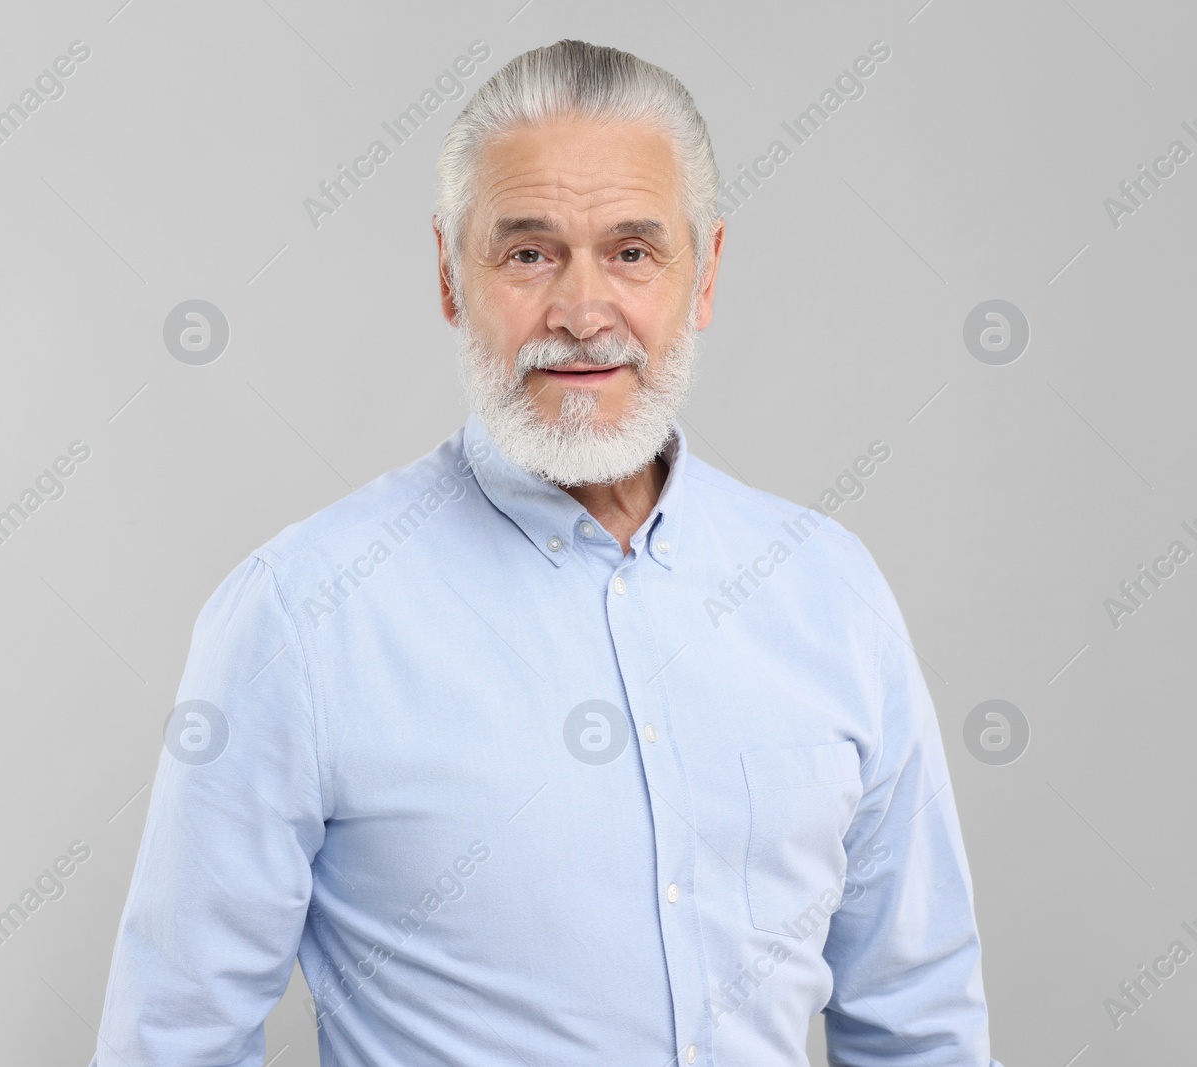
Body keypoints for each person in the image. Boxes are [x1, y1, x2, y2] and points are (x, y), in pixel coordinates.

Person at [92, 38, 1000, 1066]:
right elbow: (175, 1042)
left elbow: (919, 1027)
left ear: (701, 278)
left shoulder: (831, 592)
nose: (579, 312)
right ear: (449, 277)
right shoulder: (296, 618)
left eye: (631, 251)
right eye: (528, 253)